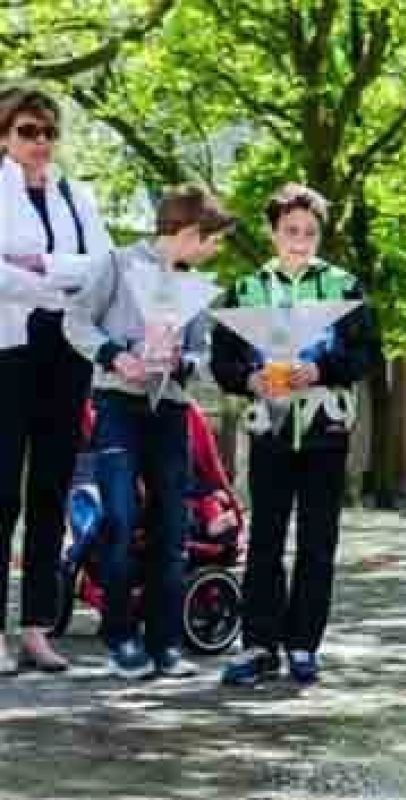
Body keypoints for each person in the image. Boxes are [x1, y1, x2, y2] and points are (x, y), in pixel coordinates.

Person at [64, 185, 234, 679]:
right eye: (213, 241)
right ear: (189, 233)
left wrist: (184, 361)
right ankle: (120, 636)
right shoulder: (116, 265)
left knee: (173, 526)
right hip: (118, 403)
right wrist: (115, 356)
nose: (215, 251)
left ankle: (165, 644)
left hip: (171, 411)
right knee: (119, 517)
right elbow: (75, 321)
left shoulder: (198, 288)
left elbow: (202, 352)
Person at [212, 184, 378, 687]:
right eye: (291, 231)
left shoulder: (345, 287)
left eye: (309, 232)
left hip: (325, 430)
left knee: (317, 541)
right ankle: (259, 645)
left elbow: (368, 353)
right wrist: (249, 379)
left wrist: (322, 368)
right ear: (273, 233)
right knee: (264, 539)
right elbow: (224, 361)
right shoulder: (245, 290)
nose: (301, 241)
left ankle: (304, 644)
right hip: (271, 431)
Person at [0, 87, 114, 675]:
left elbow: (100, 268)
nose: (39, 143)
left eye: (48, 131)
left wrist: (40, 268)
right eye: (26, 131)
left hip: (66, 351)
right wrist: (52, 281)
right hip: (9, 351)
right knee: (1, 494)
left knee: (51, 491)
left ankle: (38, 629)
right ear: (4, 136)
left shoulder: (78, 195)